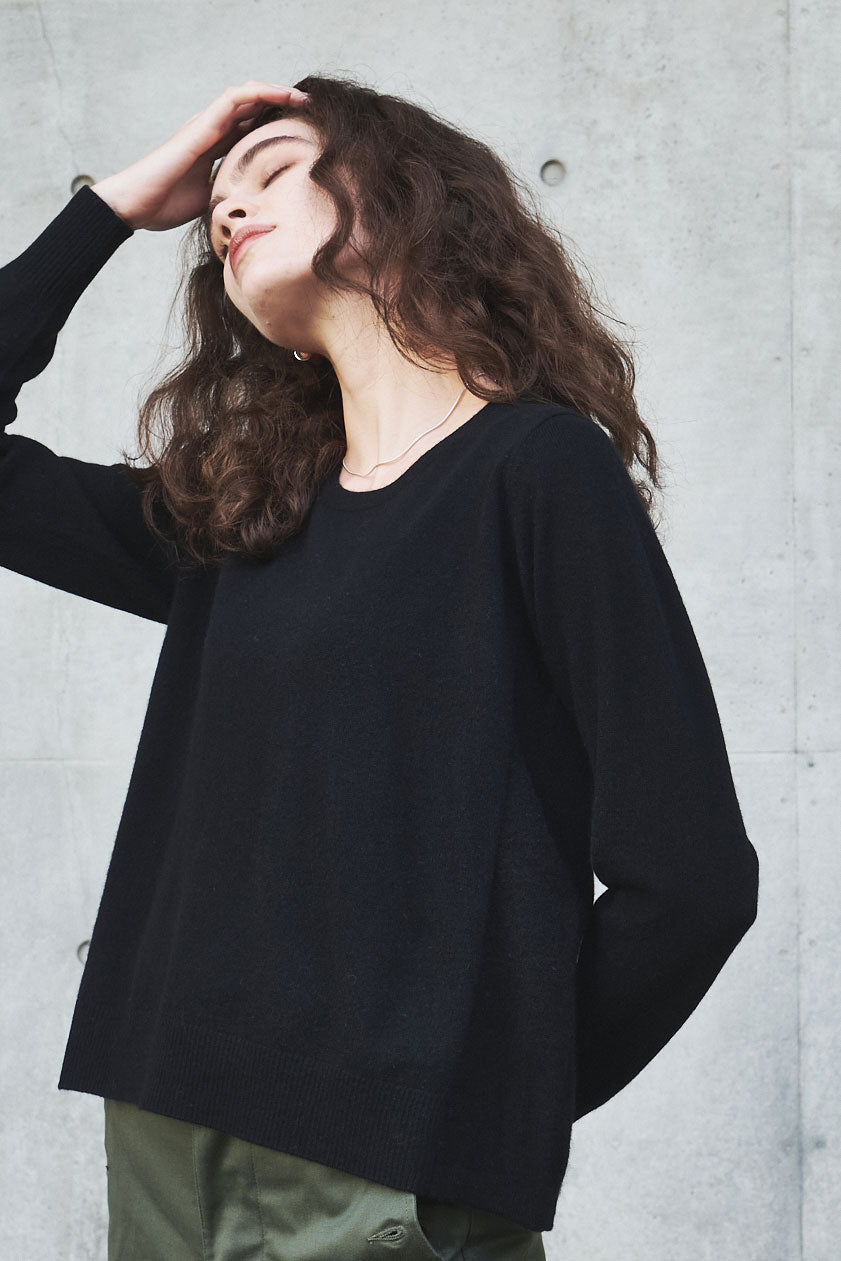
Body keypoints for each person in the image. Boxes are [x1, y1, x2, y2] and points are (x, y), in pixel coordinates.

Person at [0, 75, 760, 1259]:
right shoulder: (240, 516)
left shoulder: (536, 471)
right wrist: (108, 209)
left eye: (273, 168)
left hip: (376, 1158)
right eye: (213, 201)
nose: (225, 208)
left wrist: (483, 1097)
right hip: (162, 1124)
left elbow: (693, 876)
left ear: (399, 192)